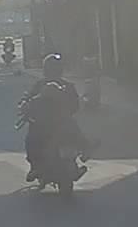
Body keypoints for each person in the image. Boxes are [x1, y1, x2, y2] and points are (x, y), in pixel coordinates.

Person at [22, 53, 91, 182]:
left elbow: (75, 106)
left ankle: (35, 167)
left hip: (46, 124)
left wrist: (27, 107)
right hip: (59, 122)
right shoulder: (66, 85)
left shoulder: (41, 85)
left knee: (31, 139)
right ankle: (85, 150)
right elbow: (75, 106)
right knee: (74, 131)